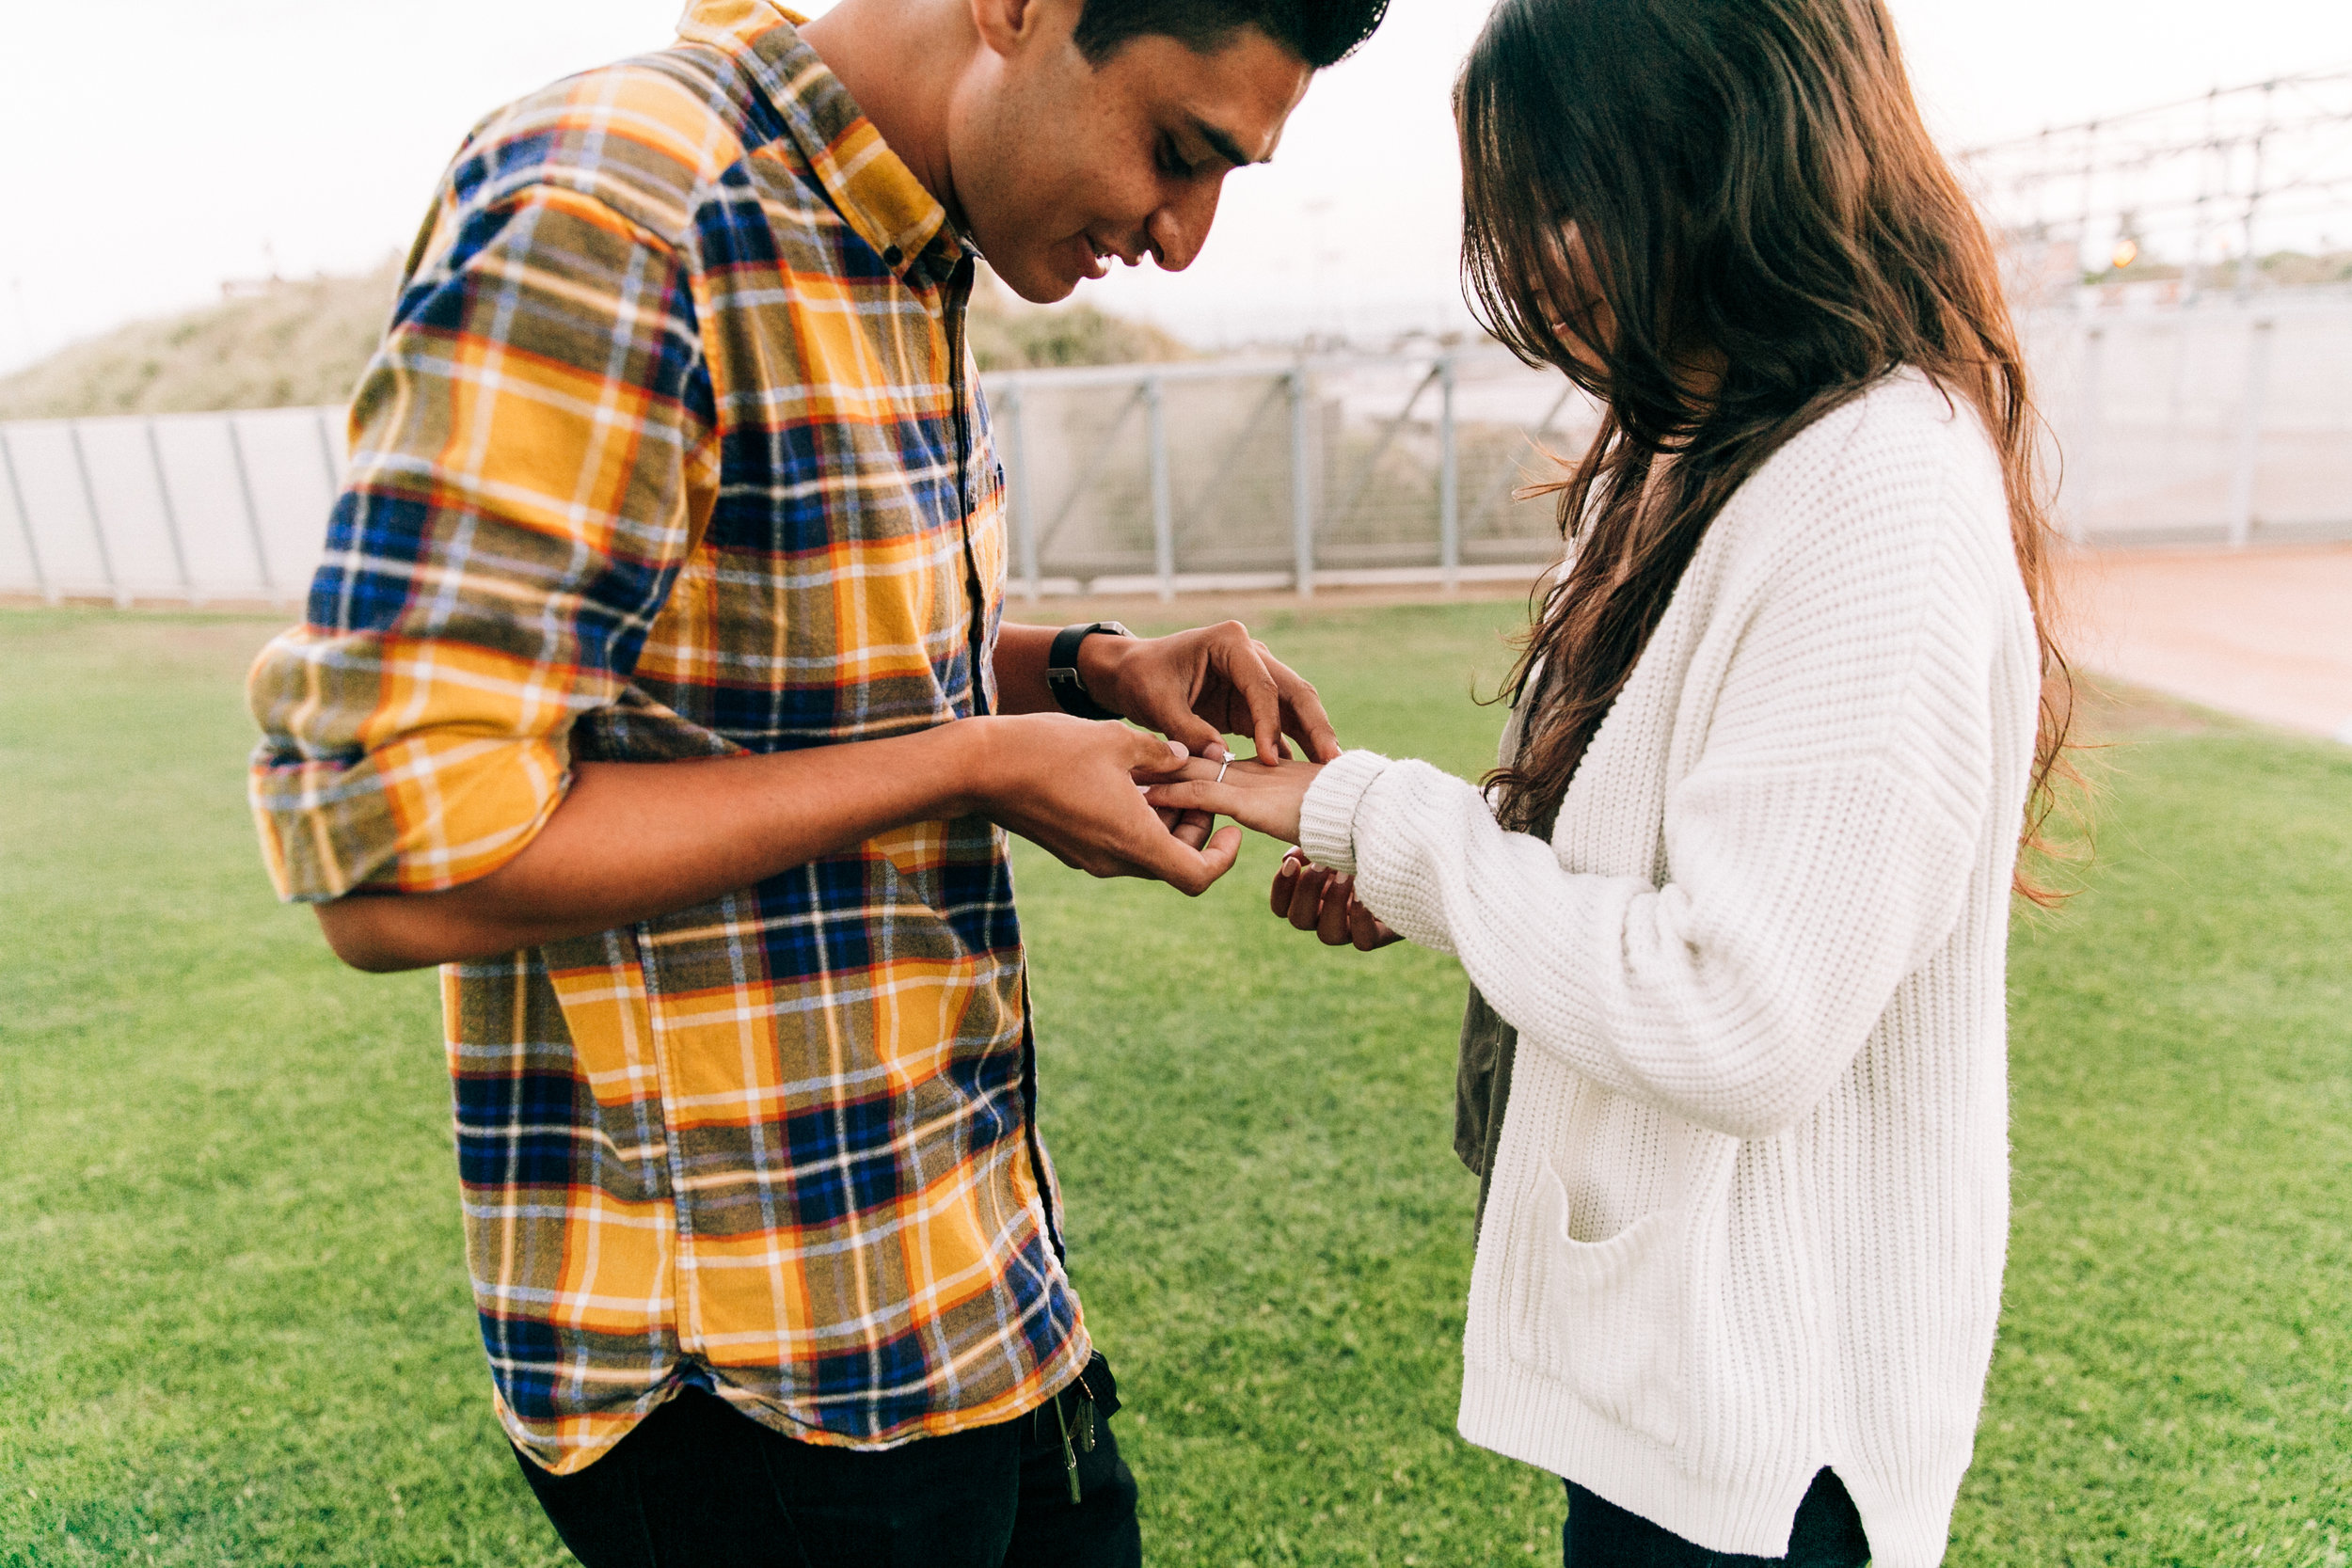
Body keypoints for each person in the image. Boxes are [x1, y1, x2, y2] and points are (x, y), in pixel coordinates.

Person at [245, 0, 1387, 1561]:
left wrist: (1073, 669)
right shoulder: (623, 203)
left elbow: (777, 669)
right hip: (753, 1386)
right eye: (1179, 152)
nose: (1184, 237)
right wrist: (976, 764)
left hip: (970, 1294)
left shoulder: (906, 241)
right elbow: (390, 861)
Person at [1144, 0, 2076, 1563]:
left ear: (1715, 159)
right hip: (1681, 1383)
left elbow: (1740, 1012)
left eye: (1573, 199)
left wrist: (1375, 818)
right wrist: (1448, 887)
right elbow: (1663, 854)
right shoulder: (1711, 437)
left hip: (1781, 1443)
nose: (1548, 259)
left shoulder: (1879, 491)